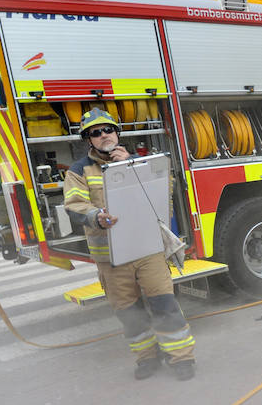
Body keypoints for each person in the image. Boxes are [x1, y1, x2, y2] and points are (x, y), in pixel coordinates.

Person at [62, 109, 196, 381]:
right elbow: (75, 205)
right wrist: (96, 216)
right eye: (95, 133)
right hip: (112, 258)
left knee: (164, 304)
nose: (103, 136)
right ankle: (147, 358)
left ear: (117, 133)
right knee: (129, 313)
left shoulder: (140, 162)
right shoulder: (78, 171)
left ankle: (181, 358)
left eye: (107, 130)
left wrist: (132, 164)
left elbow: (162, 191)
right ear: (89, 140)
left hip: (148, 250)